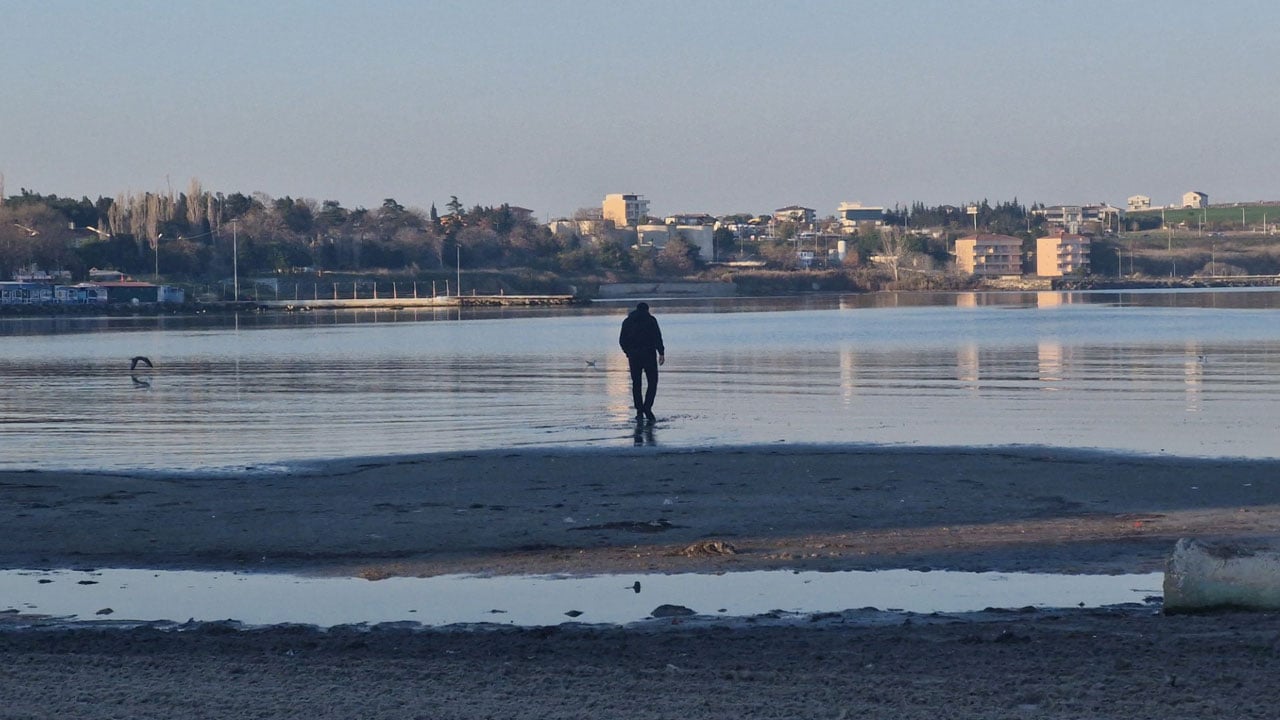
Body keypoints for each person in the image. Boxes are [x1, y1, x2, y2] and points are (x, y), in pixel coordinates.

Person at [619, 302, 665, 422]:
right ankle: (647, 407)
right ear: (647, 310)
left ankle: (639, 410)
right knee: (653, 382)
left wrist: (627, 352)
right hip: (649, 355)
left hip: (634, 356)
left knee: (636, 383)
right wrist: (661, 353)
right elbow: (657, 337)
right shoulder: (651, 320)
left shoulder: (627, 321)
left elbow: (622, 340)